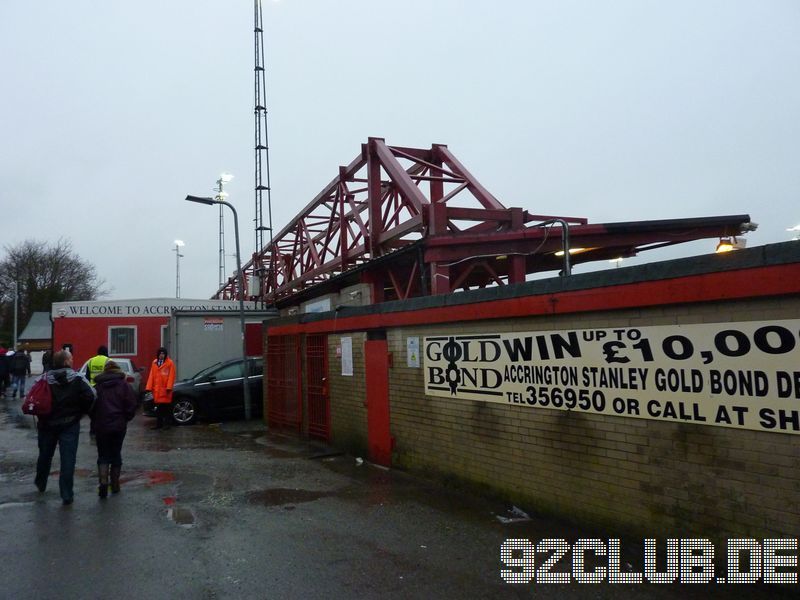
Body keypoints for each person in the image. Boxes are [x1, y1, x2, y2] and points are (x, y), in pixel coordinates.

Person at [35, 350, 95, 505]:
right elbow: (92, 395)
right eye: (71, 358)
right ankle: (66, 494)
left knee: (45, 455)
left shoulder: (44, 378)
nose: (73, 360)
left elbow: (33, 397)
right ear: (67, 362)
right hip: (69, 424)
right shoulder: (77, 378)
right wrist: (81, 411)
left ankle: (41, 482)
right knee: (68, 459)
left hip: (47, 424)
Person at [90, 360, 137, 497]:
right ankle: (115, 484)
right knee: (116, 453)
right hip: (118, 426)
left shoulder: (98, 387)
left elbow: (91, 406)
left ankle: (103, 483)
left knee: (103, 455)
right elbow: (131, 404)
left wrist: (96, 419)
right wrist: (125, 418)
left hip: (101, 426)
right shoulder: (124, 386)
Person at [145, 347, 176, 430]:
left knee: (166, 409)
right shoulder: (154, 362)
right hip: (157, 391)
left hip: (165, 390)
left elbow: (171, 376)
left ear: (165, 354)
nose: (161, 355)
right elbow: (151, 375)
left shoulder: (170, 363)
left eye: (163, 354)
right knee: (158, 409)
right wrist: (148, 387)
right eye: (160, 354)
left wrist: (169, 387)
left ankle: (167, 424)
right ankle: (159, 424)